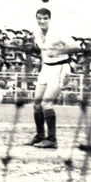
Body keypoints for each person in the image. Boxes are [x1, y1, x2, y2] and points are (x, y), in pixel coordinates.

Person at [27, 8, 79, 149]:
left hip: (60, 68)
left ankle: (52, 139)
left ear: (49, 19)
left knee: (46, 104)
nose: (42, 21)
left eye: (45, 18)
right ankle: (40, 136)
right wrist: (42, 68)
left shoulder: (58, 32)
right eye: (39, 18)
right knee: (36, 103)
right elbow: (44, 53)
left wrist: (59, 51)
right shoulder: (36, 33)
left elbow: (76, 46)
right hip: (47, 68)